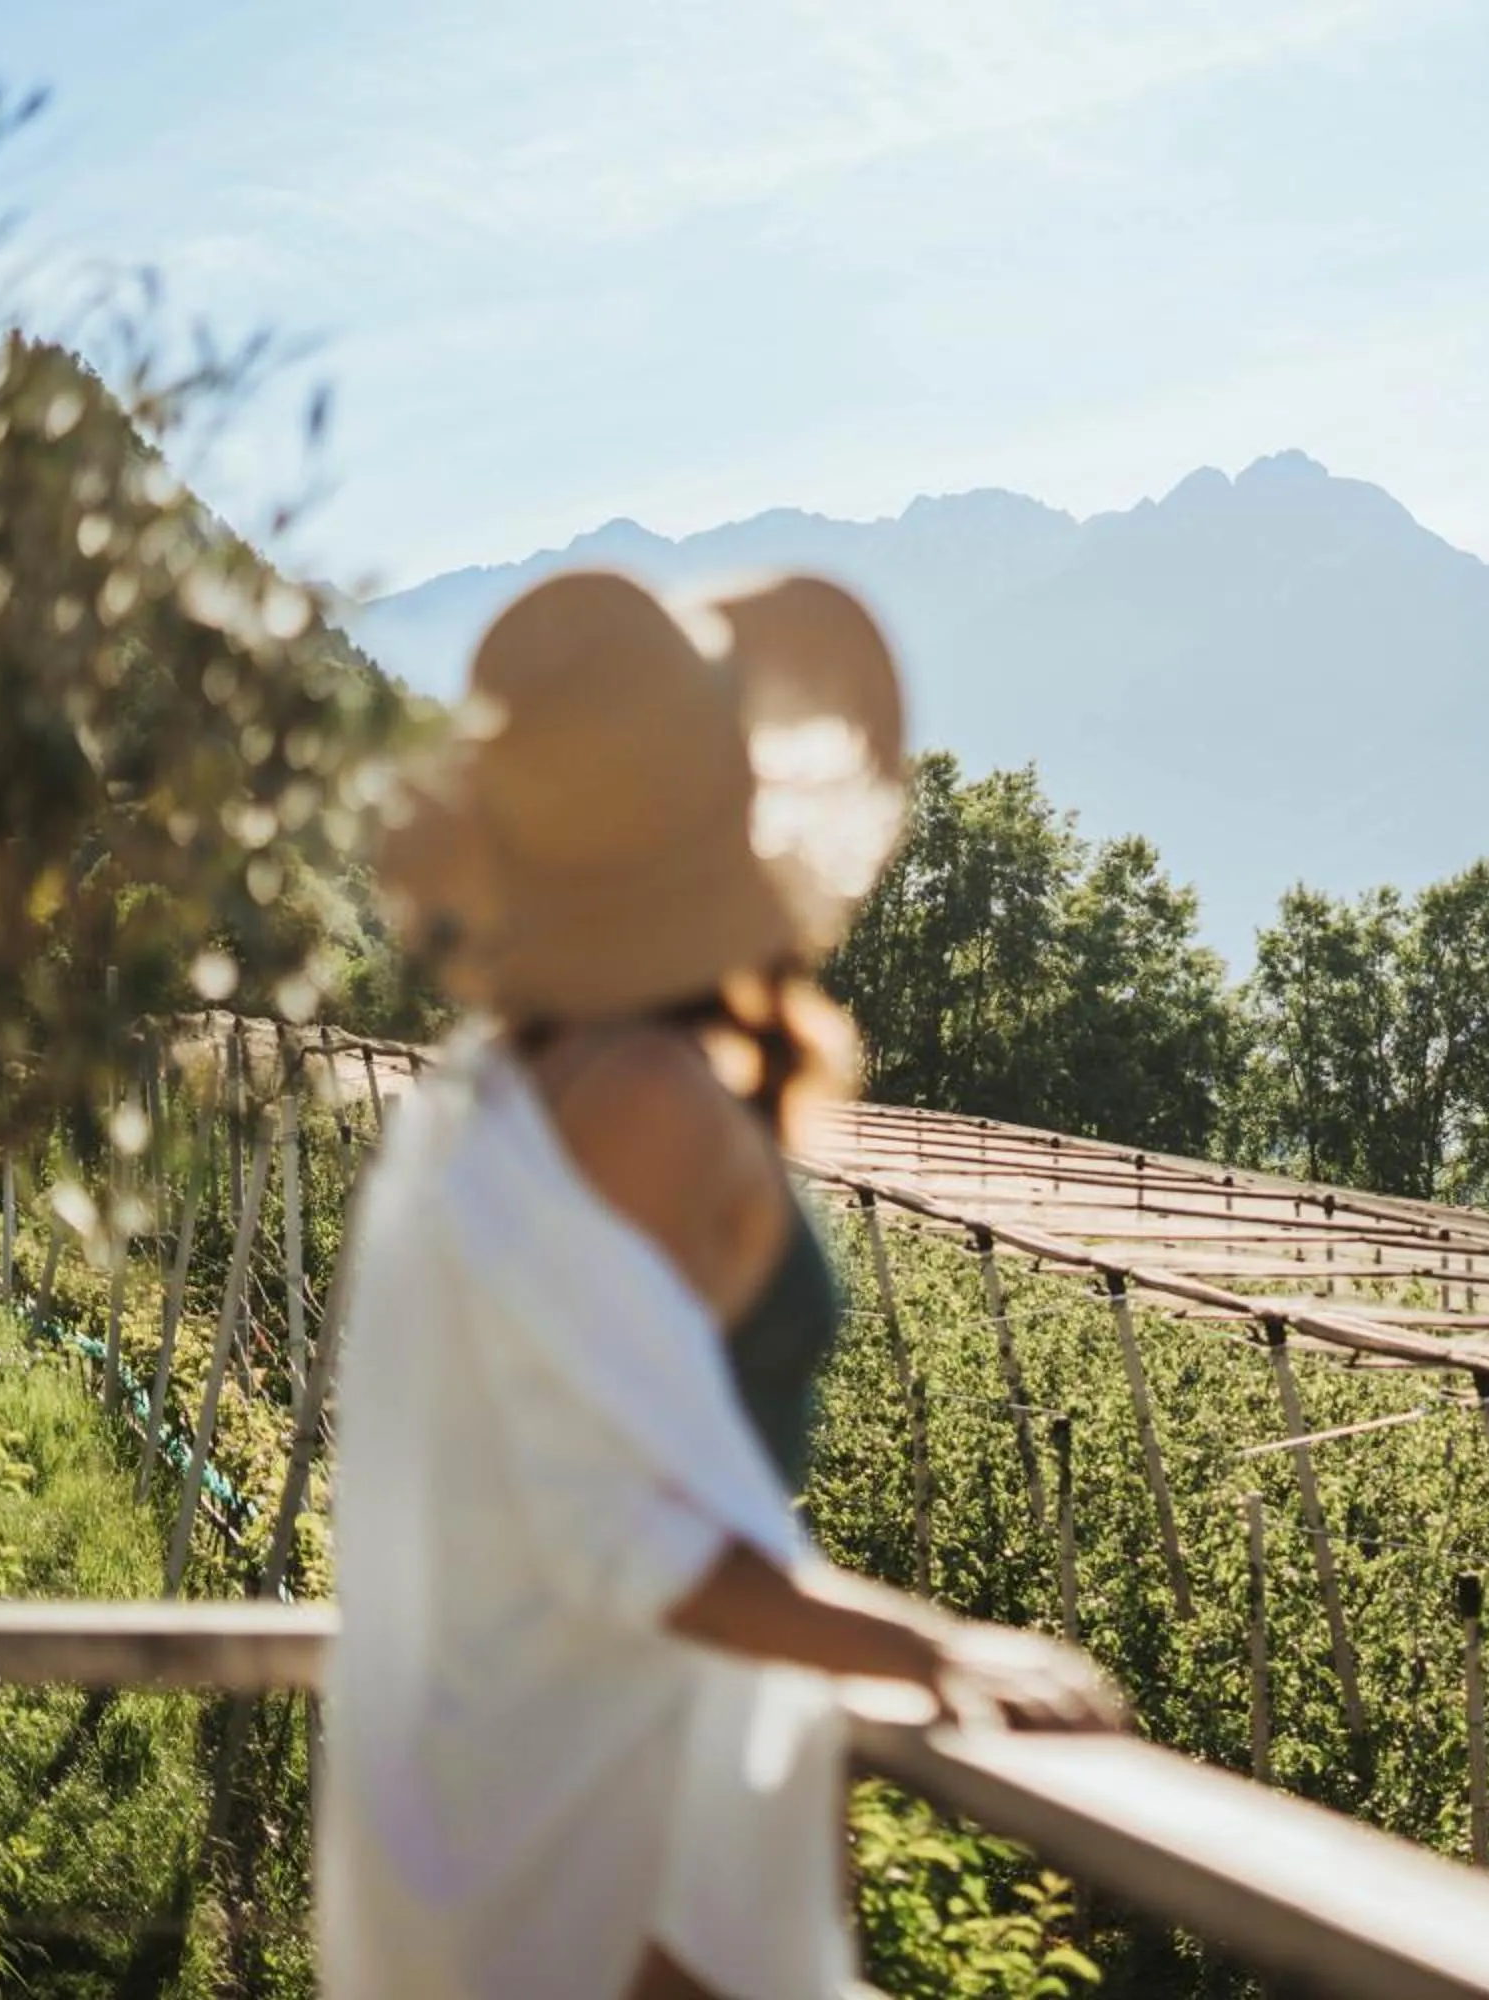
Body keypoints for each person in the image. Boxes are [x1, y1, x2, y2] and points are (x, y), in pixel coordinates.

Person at [318, 568, 1122, 1999]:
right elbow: (620, 1529)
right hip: (617, 1842)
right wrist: (930, 1648)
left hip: (546, 1788)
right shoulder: (640, 1101)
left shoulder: (499, 1096)